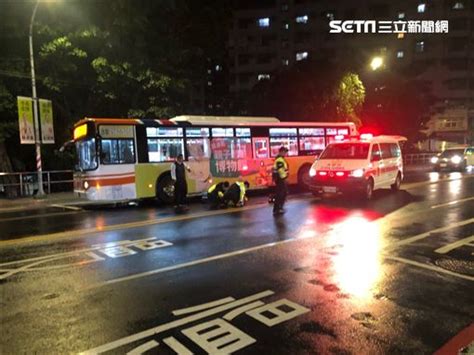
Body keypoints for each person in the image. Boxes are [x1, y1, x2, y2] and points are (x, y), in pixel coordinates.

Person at [272, 146, 289, 215]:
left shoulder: (280, 159)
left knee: (280, 194)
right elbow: (281, 171)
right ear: (281, 152)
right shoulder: (279, 160)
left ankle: (278, 208)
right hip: (280, 179)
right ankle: (278, 208)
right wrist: (284, 179)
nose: (285, 154)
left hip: (280, 179)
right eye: (285, 152)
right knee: (281, 194)